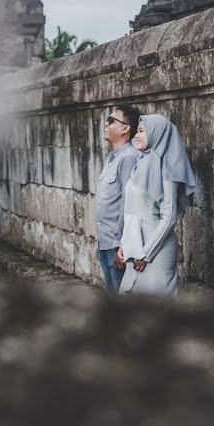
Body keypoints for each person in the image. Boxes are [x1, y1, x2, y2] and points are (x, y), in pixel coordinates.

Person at [117, 114, 197, 296]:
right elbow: (132, 211)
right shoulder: (141, 164)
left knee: (156, 314)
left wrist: (146, 253)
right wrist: (124, 244)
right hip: (136, 248)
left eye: (141, 131)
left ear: (156, 134)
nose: (136, 135)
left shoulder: (167, 169)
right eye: (137, 131)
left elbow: (168, 217)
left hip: (155, 253)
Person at [95, 104, 141, 293]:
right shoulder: (113, 157)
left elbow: (129, 203)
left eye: (111, 120)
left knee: (121, 304)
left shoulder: (128, 158)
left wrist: (118, 245)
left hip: (116, 247)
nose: (106, 123)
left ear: (125, 128)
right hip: (105, 242)